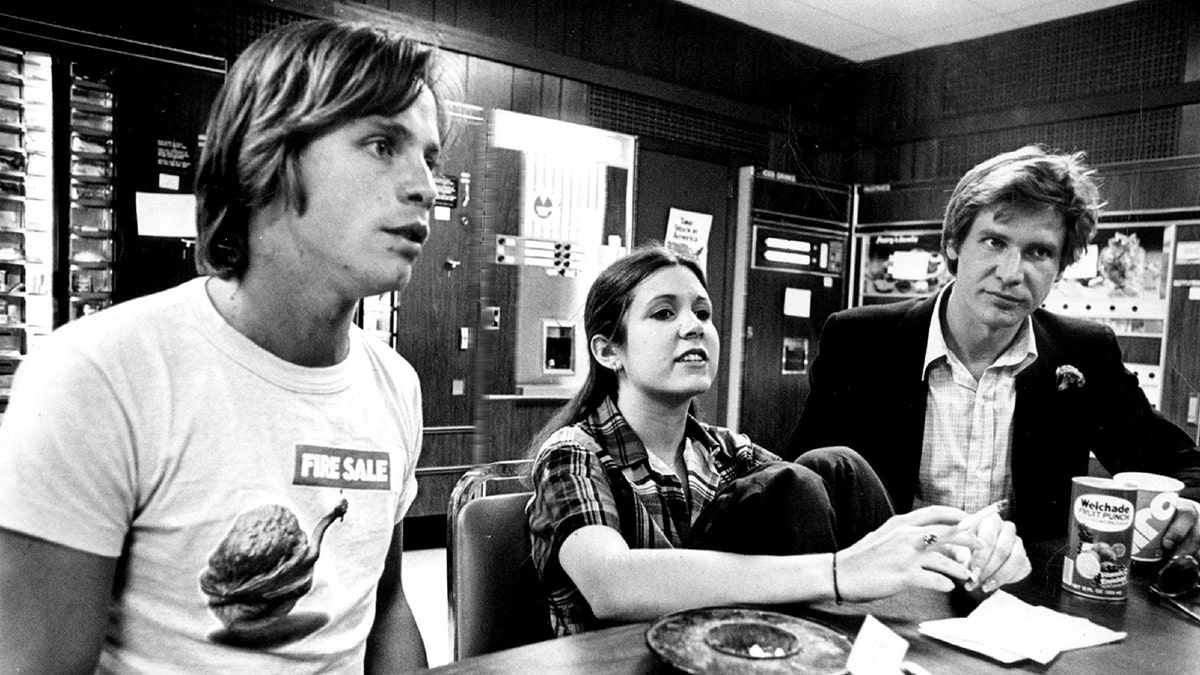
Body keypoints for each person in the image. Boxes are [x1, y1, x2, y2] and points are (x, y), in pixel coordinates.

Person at [0, 19, 443, 672]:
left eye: (430, 157)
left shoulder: (394, 384)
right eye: (382, 144)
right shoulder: (100, 374)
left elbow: (386, 609)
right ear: (266, 156)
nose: (425, 187)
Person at [526, 243, 1030, 637]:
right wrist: (836, 573)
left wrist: (974, 547)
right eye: (663, 313)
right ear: (608, 350)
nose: (693, 328)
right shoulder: (575, 451)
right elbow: (610, 586)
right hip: (623, 660)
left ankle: (931, 596)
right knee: (803, 482)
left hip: (723, 645)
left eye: (702, 313)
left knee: (837, 465)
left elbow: (813, 497)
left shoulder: (723, 450)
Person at [787, 145, 1200, 553]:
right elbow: (804, 481)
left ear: (1061, 267)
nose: (1011, 274)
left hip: (1019, 600)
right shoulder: (861, 340)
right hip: (886, 588)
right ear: (953, 244)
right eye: (994, 242)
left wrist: (1189, 506)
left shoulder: (1083, 351)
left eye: (1039, 252)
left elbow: (1184, 464)